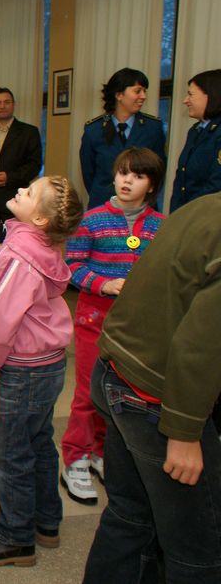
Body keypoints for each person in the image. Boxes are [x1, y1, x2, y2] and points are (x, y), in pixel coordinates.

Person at [82, 192, 221, 584]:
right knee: (199, 549)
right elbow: (201, 346)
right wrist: (183, 432)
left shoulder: (206, 205)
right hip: (156, 399)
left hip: (118, 372)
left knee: (130, 519)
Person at [0, 175, 84, 567]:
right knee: (39, 441)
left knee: (13, 452)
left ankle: (14, 536)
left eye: (29, 193)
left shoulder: (20, 256)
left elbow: (2, 318)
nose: (19, 191)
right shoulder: (43, 247)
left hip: (25, 368)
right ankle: (46, 521)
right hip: (49, 363)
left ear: (41, 220)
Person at [60, 147, 165, 505]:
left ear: (152, 185)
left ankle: (100, 452)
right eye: (123, 173)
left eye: (138, 176)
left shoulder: (160, 226)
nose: (127, 181)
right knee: (89, 391)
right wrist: (104, 284)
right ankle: (75, 457)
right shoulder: (92, 220)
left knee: (121, 393)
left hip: (137, 326)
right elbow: (73, 266)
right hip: (95, 320)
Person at [79, 68, 166, 209]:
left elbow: (159, 171)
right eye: (137, 91)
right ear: (119, 95)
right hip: (103, 206)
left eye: (145, 91)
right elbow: (89, 174)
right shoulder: (94, 130)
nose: (143, 96)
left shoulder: (153, 128)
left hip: (142, 207)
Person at [0, 87, 43, 242]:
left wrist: (9, 177)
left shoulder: (29, 132)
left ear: (13, 104)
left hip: (16, 198)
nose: (2, 106)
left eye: (6, 102)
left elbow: (35, 165)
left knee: (15, 242)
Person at [170, 69, 221, 211]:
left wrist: (188, 212)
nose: (185, 100)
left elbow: (216, 185)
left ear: (210, 95)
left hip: (206, 215)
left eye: (190, 94)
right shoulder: (195, 130)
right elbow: (181, 180)